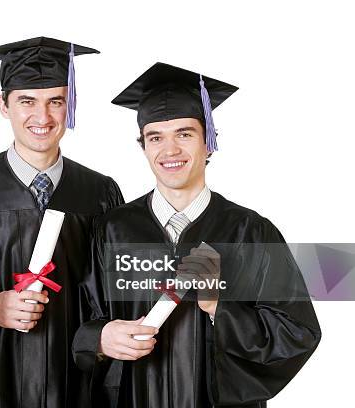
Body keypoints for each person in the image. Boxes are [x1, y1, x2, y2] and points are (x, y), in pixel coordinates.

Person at [72, 63, 322, 407]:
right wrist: (99, 338)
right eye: (156, 137)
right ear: (143, 146)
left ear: (209, 142)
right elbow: (79, 317)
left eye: (184, 134)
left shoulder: (250, 232)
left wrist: (219, 305)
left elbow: (297, 333)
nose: (170, 150)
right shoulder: (111, 230)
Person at [0, 37, 124, 407]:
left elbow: (111, 296)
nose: (42, 118)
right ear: (3, 105)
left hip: (75, 383)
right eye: (27, 101)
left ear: (69, 105)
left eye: (55, 101)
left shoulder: (99, 192)